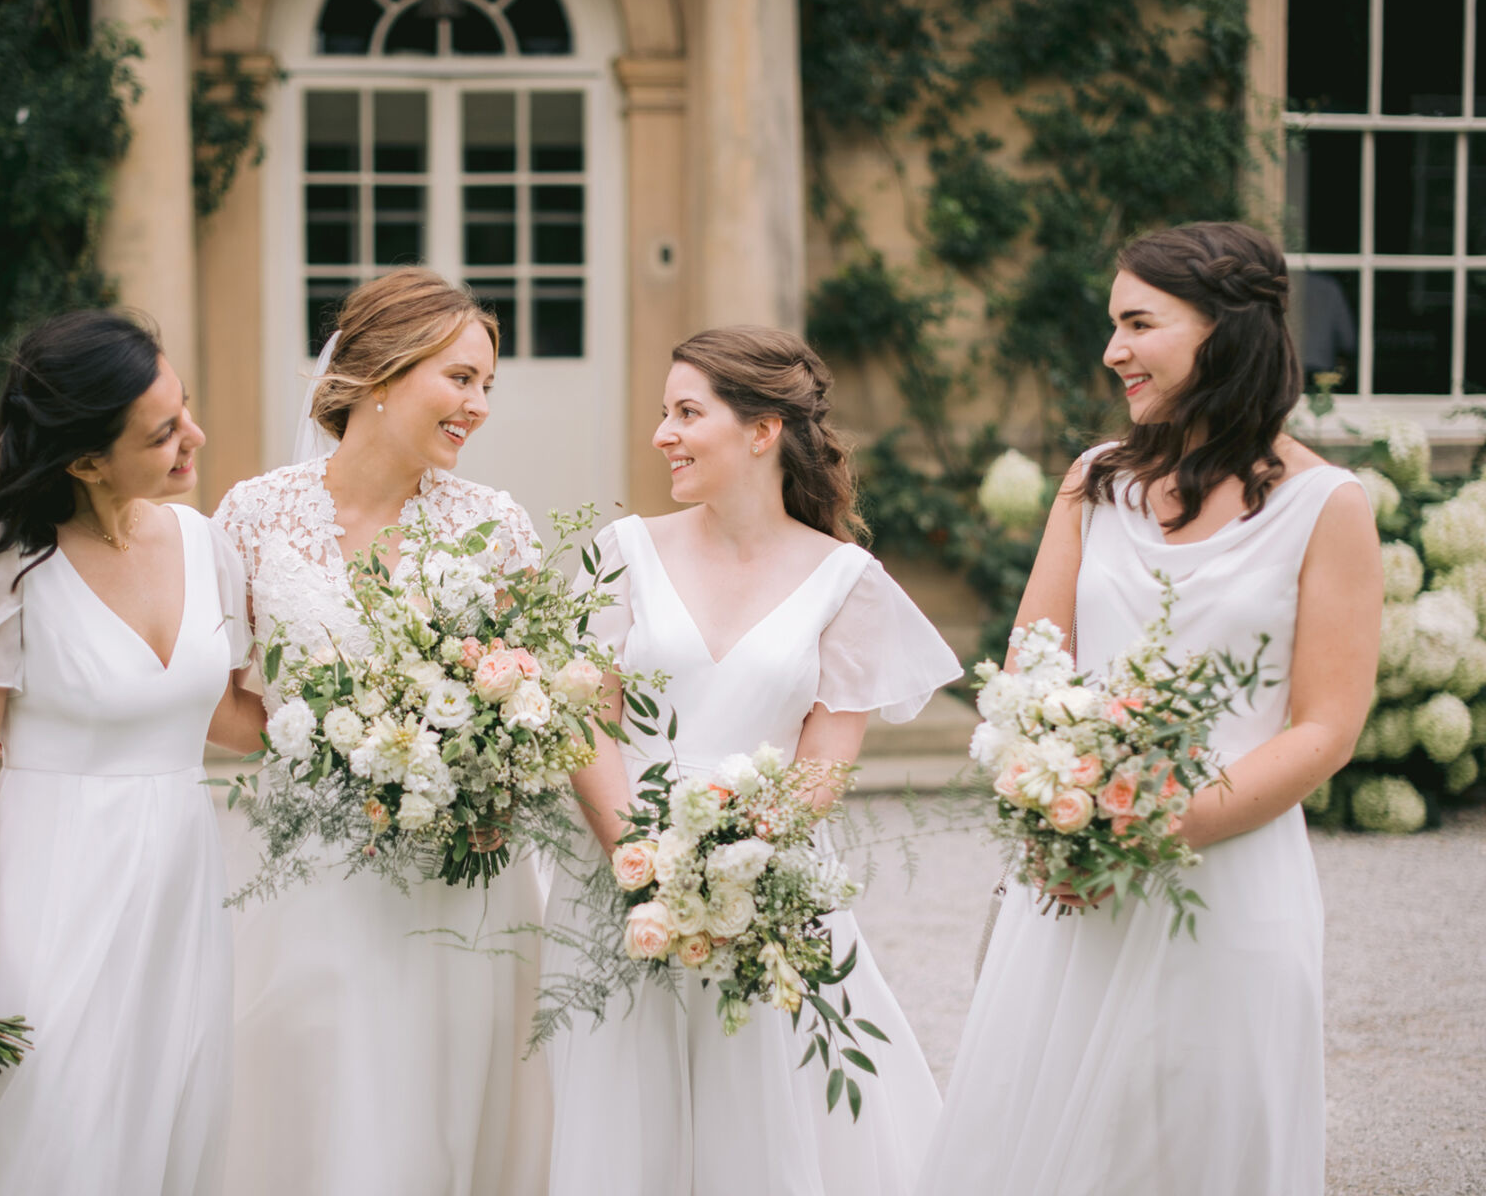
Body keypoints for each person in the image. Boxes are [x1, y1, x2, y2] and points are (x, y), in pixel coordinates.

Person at [917, 222, 1381, 1196]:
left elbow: (1326, 726)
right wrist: (1060, 815)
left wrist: (1156, 826)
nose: (1112, 350)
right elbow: (1032, 670)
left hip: (1229, 884)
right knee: (1046, 1142)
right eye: (1111, 324)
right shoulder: (1098, 481)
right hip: (1075, 875)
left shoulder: (1329, 507)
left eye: (1138, 323)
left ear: (1224, 332)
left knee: (1200, 1137)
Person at [0, 310, 263, 1194]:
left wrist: (371, 731)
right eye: (162, 433)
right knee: (56, 1118)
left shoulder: (203, 543)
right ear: (83, 460)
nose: (194, 438)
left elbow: (223, 712)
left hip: (180, 882)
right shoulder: (0, 560)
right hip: (58, 876)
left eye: (183, 409)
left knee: (167, 1105)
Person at [542, 326, 962, 1196]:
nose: (663, 434)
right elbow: (587, 725)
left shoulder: (846, 581)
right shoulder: (622, 554)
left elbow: (823, 769)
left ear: (762, 430)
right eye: (665, 413)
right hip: (619, 877)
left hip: (765, 887)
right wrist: (640, 860)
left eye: (687, 413)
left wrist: (729, 869)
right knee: (621, 1117)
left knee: (764, 1115)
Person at [214, 268, 551, 1196]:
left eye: (487, 386)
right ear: (377, 374)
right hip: (305, 859)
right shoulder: (253, 513)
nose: (477, 406)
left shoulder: (495, 525)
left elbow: (536, 700)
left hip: (458, 867)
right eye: (460, 379)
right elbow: (213, 698)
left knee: (445, 1087)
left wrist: (475, 773)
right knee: (313, 1071)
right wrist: (321, 739)